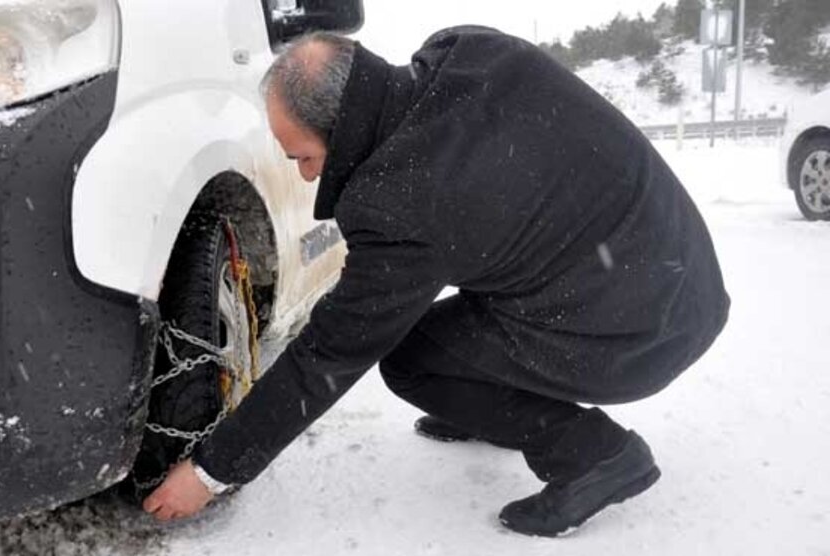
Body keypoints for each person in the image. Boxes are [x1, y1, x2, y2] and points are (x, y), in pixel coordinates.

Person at [142, 26, 730, 537]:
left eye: (302, 156)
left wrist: (211, 470)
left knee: (411, 360)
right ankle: (487, 403)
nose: (306, 173)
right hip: (677, 272)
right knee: (460, 316)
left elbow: (328, 355)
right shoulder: (466, 49)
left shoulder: (403, 202)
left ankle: (596, 456)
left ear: (342, 131)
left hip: (641, 330)